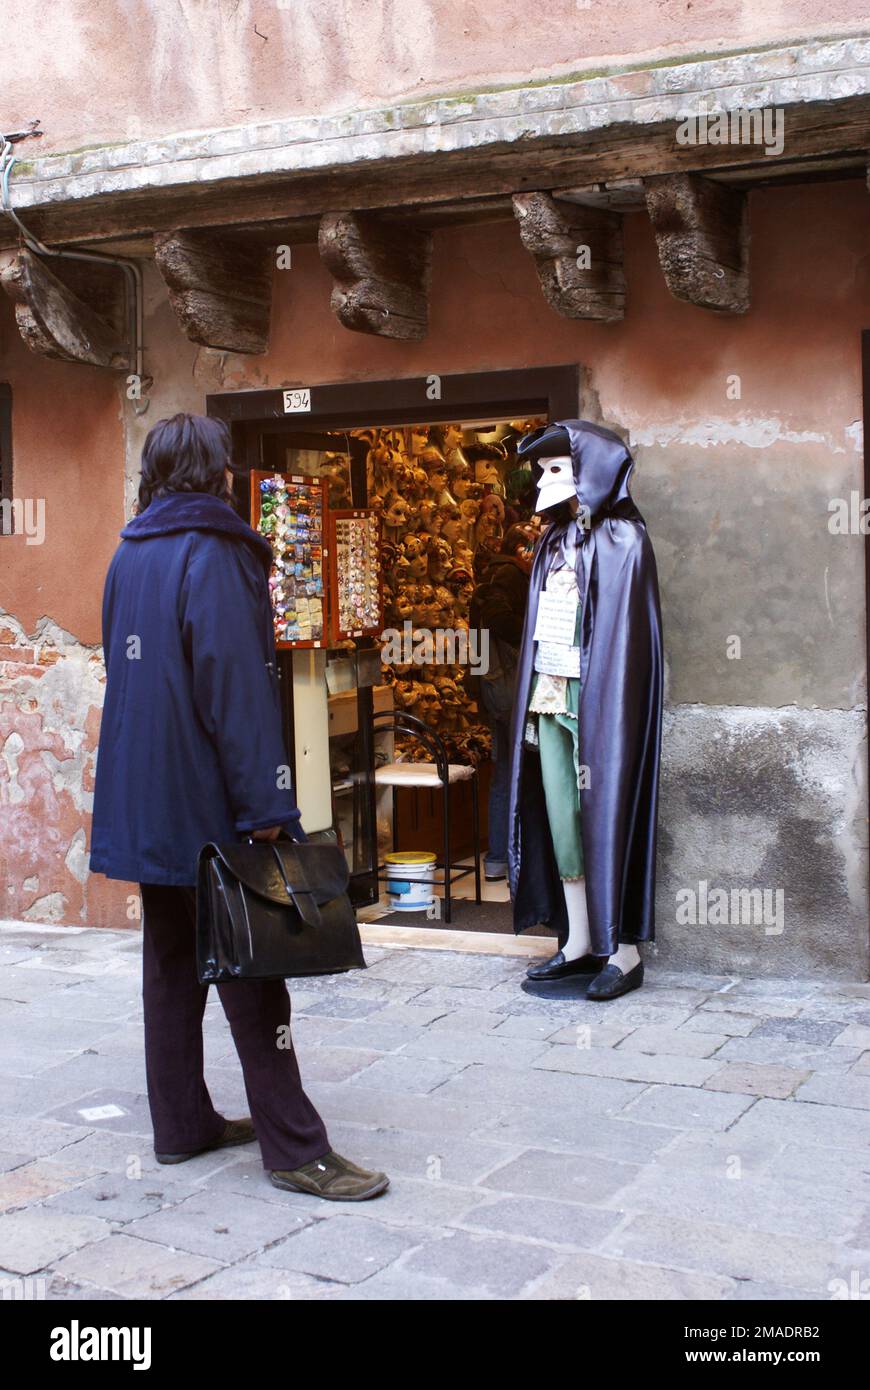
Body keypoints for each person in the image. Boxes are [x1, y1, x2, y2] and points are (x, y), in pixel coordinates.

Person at [89, 412, 388, 1201]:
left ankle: (181, 1123)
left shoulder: (131, 553)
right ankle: (297, 1149)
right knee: (256, 973)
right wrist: (266, 802)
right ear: (217, 472)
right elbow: (234, 690)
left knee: (171, 965)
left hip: (149, 800)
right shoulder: (215, 552)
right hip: (210, 803)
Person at [469, 524, 535, 881]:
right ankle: (513, 858)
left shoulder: (487, 577)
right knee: (518, 772)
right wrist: (532, 633)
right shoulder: (509, 576)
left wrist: (480, 686)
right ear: (521, 552)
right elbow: (499, 622)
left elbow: (478, 641)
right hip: (509, 689)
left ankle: (498, 857)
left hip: (496, 690)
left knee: (503, 772)